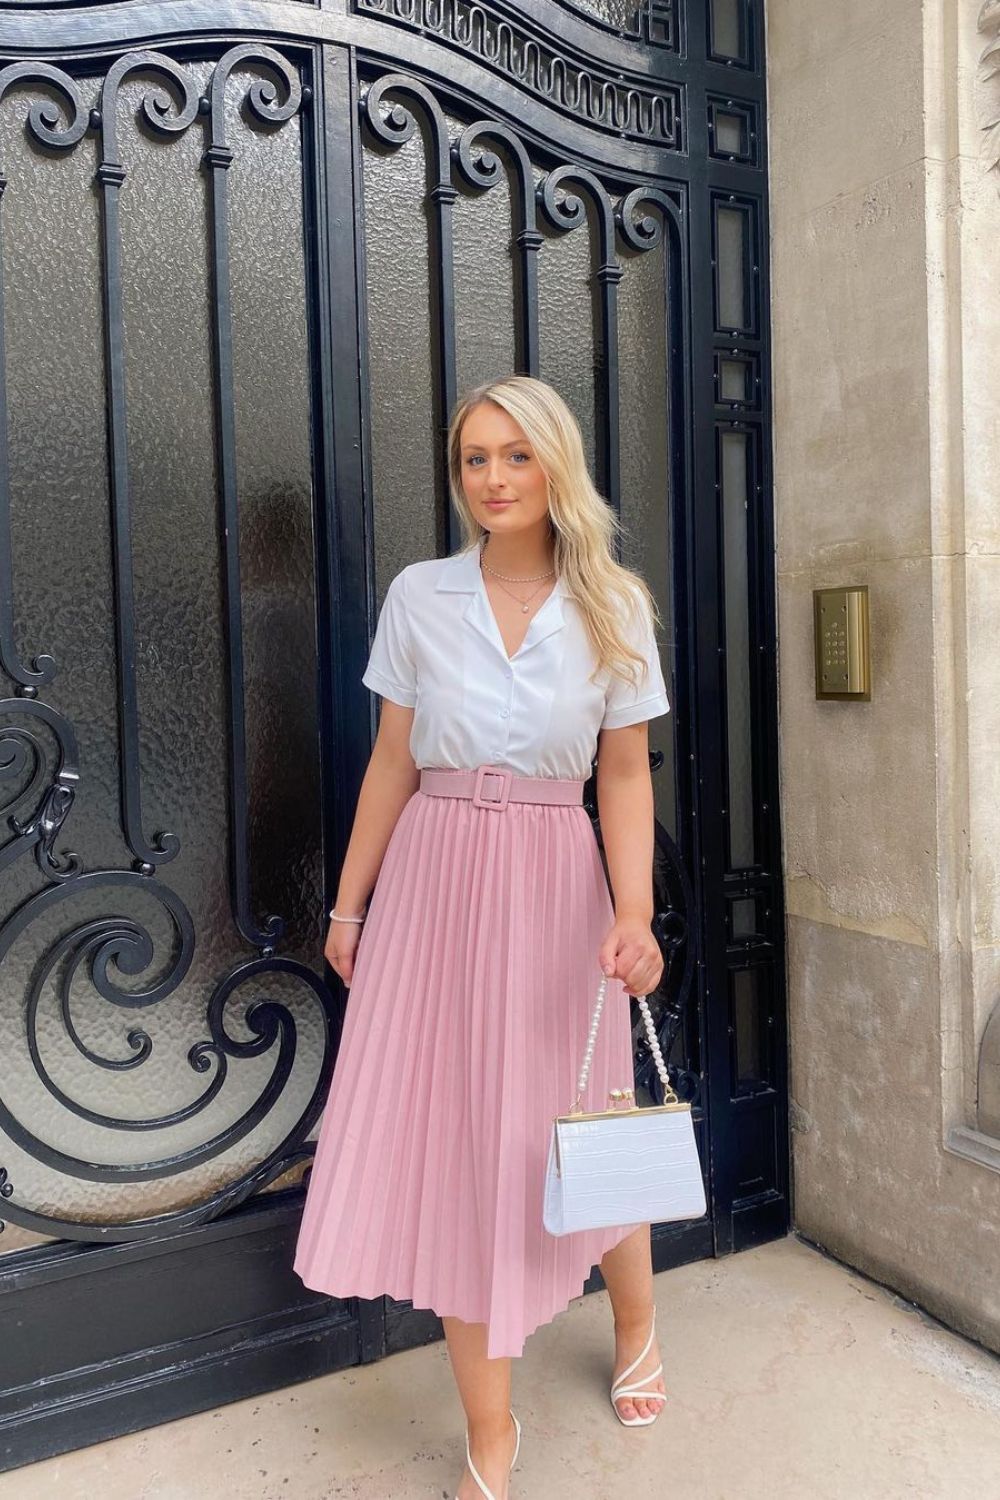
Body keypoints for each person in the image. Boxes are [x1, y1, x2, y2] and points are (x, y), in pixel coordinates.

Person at [293, 375, 672, 1500]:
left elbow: (622, 774)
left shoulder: (613, 604)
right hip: (434, 880)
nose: (494, 479)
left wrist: (634, 911)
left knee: (580, 1125)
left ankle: (640, 1327)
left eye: (515, 455)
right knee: (465, 1150)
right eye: (474, 460)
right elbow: (392, 762)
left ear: (554, 464)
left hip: (557, 881)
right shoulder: (421, 594)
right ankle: (490, 1429)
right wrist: (349, 906)